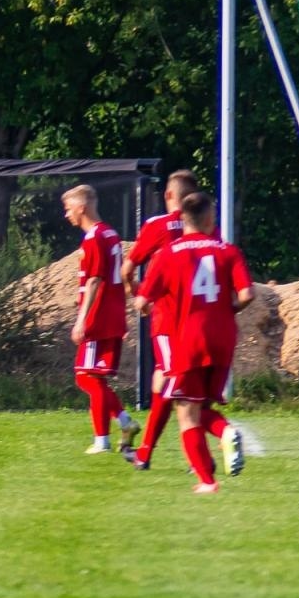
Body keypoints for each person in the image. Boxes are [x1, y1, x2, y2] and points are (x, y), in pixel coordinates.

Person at [136, 192, 253, 493]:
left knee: (186, 412)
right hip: (224, 339)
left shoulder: (169, 253)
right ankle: (220, 441)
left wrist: (146, 301)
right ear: (210, 218)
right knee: (199, 408)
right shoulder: (227, 250)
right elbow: (246, 295)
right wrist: (228, 311)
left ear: (183, 218)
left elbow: (142, 301)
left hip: (189, 340)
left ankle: (208, 478)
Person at [119, 169, 199, 470]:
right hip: (199, 320)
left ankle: (202, 450)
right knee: (168, 381)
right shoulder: (207, 228)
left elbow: (127, 269)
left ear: (168, 195)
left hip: (166, 319)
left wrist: (137, 293)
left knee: (169, 382)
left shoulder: (159, 226)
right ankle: (146, 451)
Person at [62, 184, 139, 455]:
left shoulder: (94, 237)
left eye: (68, 208)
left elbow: (96, 278)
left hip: (99, 317)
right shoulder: (110, 233)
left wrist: (82, 319)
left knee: (87, 377)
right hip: (112, 314)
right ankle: (121, 424)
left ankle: (106, 436)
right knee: (92, 378)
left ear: (81, 207)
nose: (66, 214)